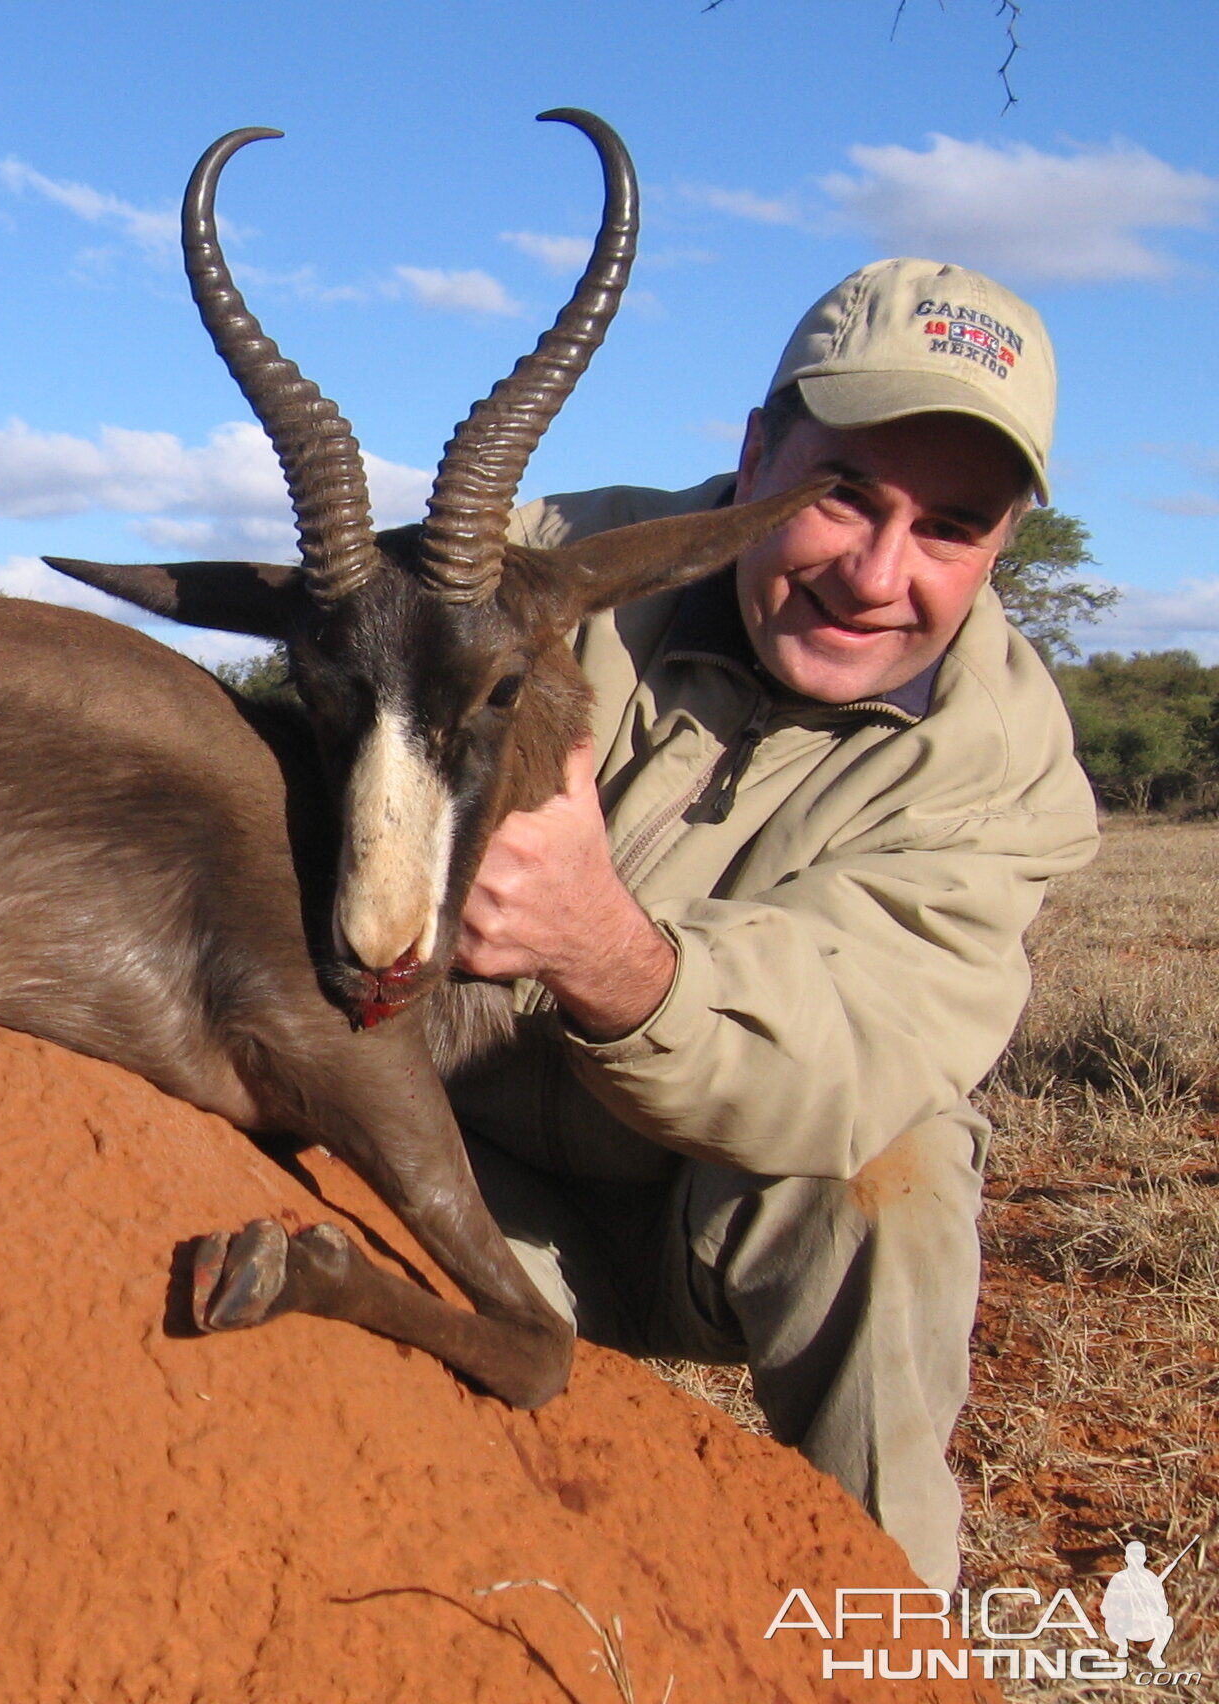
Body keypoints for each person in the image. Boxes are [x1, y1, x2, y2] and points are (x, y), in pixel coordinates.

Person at [450, 257, 1100, 1589]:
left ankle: (883, 1631)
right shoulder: (548, 574)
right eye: (839, 495)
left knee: (895, 1170)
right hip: (470, 1174)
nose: (877, 572)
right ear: (753, 455)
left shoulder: (1005, 759)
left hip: (716, 1207)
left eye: (951, 528)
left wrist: (602, 946)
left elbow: (857, 1045)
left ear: (1001, 546)